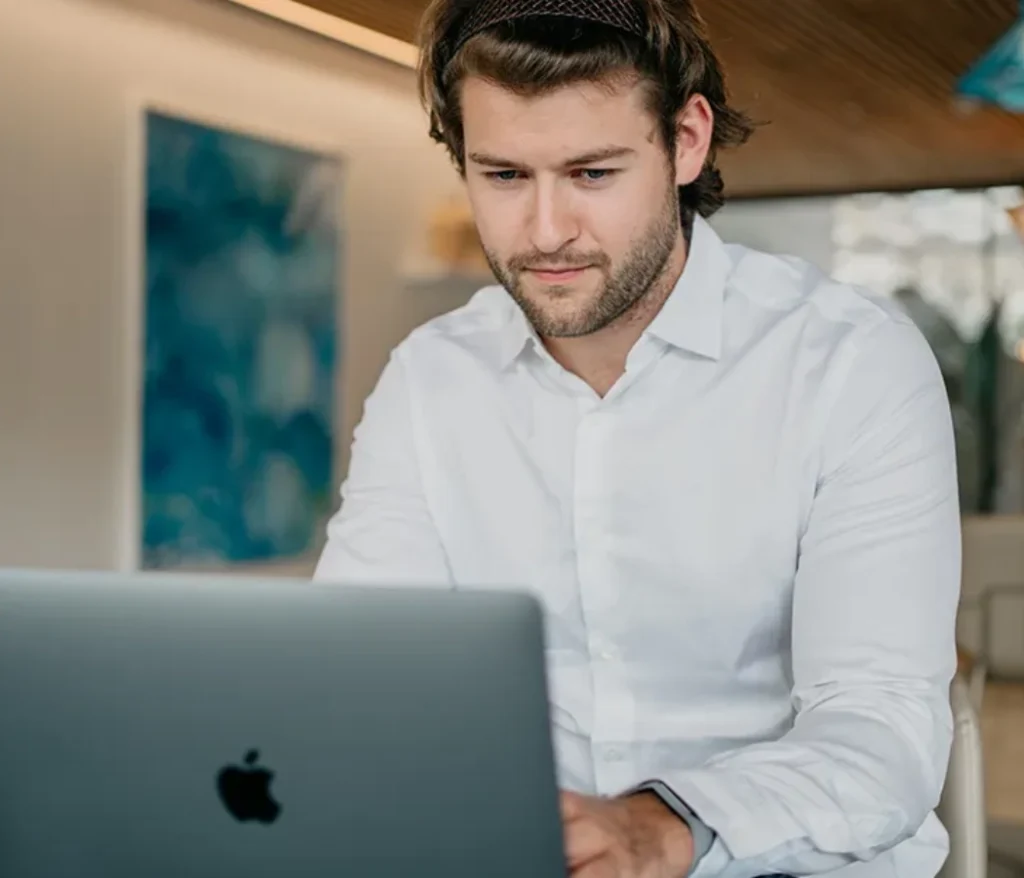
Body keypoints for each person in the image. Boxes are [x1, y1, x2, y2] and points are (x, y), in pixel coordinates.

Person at [313, 0, 962, 876]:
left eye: (591, 174)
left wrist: (663, 828)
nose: (544, 232)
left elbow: (879, 727)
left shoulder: (851, 363)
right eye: (504, 176)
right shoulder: (431, 379)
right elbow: (362, 683)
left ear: (686, 141)